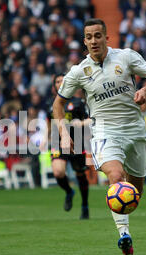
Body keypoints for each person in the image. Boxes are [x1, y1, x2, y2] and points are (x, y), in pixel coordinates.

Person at [52, 19, 146, 255]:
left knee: (135, 193)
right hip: (104, 131)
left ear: (106, 38)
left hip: (135, 130)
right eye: (89, 37)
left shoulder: (126, 57)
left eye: (97, 36)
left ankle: (125, 221)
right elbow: (58, 105)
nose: (94, 41)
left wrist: (145, 89)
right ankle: (124, 234)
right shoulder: (78, 71)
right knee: (115, 176)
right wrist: (63, 133)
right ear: (84, 41)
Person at [48, 74, 90, 220]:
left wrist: (82, 124)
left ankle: (85, 205)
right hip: (57, 141)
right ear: (54, 86)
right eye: (57, 81)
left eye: (62, 80)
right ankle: (69, 192)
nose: (60, 83)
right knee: (58, 172)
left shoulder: (78, 102)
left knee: (80, 174)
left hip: (77, 141)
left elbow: (90, 120)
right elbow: (50, 123)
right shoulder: (51, 104)